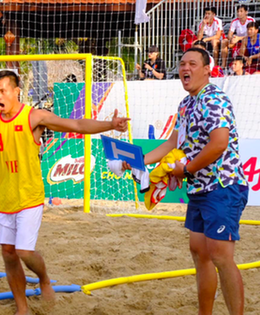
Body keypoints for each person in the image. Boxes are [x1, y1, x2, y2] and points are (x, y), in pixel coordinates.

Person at [0, 70, 129, 314]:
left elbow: (77, 124)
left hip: (30, 196)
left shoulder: (34, 117)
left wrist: (110, 124)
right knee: (8, 253)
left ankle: (44, 279)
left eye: (2, 91)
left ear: (17, 92)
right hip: (4, 196)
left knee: (23, 251)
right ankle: (22, 308)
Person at [124, 48, 248, 315]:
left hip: (223, 185)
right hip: (199, 186)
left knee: (220, 256)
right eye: (181, 63)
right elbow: (172, 142)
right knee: (199, 252)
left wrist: (186, 170)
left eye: (192, 63)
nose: (185, 68)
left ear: (207, 69)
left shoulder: (214, 98)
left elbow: (219, 144)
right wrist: (140, 160)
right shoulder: (186, 103)